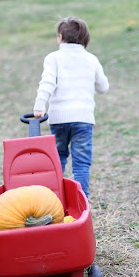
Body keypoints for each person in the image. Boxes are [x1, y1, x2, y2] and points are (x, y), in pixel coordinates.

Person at [33, 17, 109, 198]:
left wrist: (39, 104)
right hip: (83, 119)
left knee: (58, 158)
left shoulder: (53, 58)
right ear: (85, 38)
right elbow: (103, 87)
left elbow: (47, 83)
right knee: (81, 163)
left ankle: (55, 198)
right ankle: (82, 201)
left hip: (59, 118)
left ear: (60, 36)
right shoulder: (91, 59)